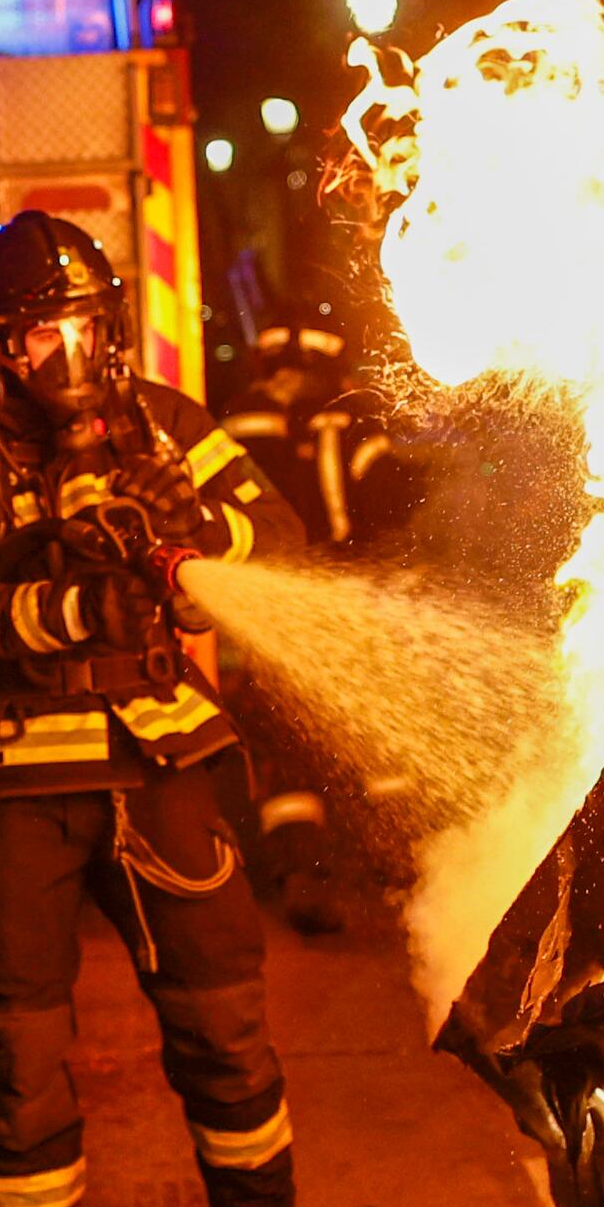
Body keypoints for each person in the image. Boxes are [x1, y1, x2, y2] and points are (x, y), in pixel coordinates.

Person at [0, 212, 331, 1207]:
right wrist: (80, 605)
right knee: (20, 1044)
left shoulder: (171, 430)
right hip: (20, 782)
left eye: (87, 326)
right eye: (40, 336)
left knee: (220, 1014)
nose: (70, 357)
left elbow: (276, 540)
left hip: (164, 764)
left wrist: (194, 549)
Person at [212, 315, 425, 934]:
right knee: (375, 736)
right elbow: (390, 501)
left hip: (279, 602)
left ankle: (302, 876)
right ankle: (399, 872)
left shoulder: (245, 416)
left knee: (289, 744)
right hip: (352, 598)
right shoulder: (355, 418)